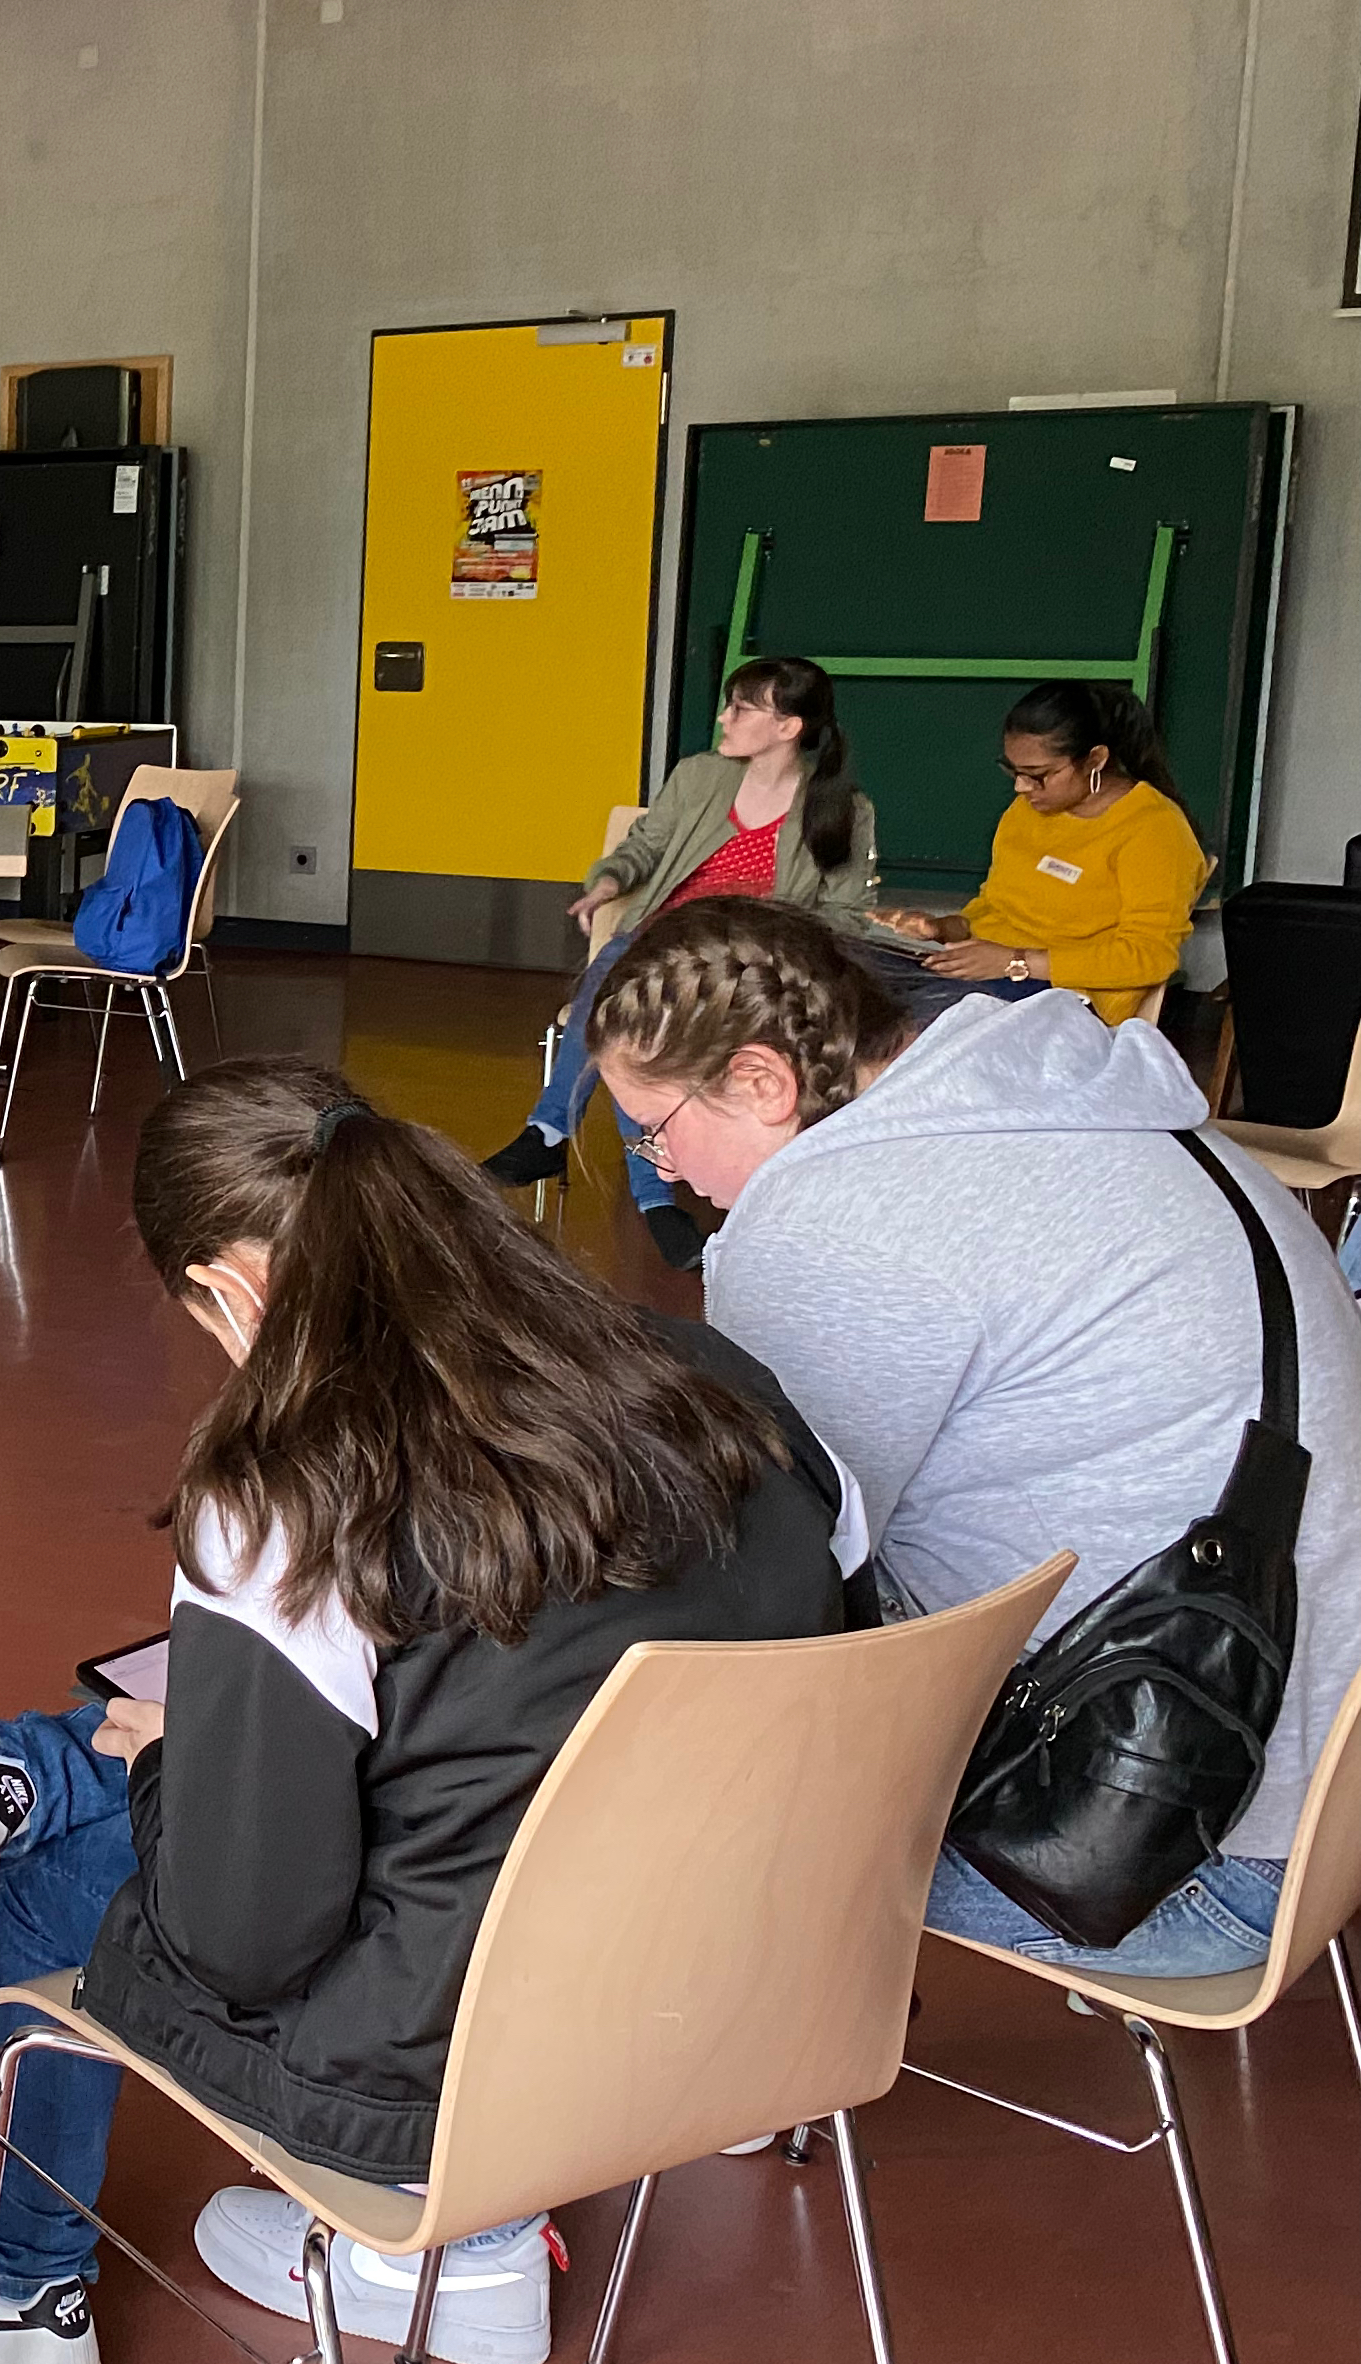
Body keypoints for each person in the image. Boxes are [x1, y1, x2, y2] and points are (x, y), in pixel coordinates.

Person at [0, 1056, 848, 2364]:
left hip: (456, 2085)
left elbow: (242, 1937)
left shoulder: (290, 1490)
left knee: (89, 1823)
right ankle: (9, 1776)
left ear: (235, 1287)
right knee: (219, 1754)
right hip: (752, 2004)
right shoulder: (716, 1378)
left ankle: (15, 2290)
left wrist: (183, 1762)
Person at [589, 898, 1361, 1979]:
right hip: (1321, 1795)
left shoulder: (838, 1216)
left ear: (763, 1081)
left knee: (582, 1814)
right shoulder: (1095, 1097)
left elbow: (764, 1577)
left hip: (1167, 1854)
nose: (659, 1170)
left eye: (654, 1129)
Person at [481, 656, 875, 1268]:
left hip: (746, 964)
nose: (725, 717)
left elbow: (845, 914)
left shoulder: (841, 808)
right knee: (623, 987)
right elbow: (646, 846)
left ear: (787, 726)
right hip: (664, 939)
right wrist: (608, 882)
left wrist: (772, 946)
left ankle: (568, 1147)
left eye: (742, 707)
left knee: (645, 1019)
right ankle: (625, 1180)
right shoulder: (699, 777)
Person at [867, 677, 1205, 1026]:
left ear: (1095, 760)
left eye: (1038, 775)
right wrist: (943, 929)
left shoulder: (1154, 828)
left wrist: (1015, 962)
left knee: (900, 1018)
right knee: (843, 976)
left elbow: (1148, 957)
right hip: (993, 976)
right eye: (1013, 771)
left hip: (1069, 1001)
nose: (1021, 786)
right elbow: (996, 907)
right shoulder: (1024, 813)